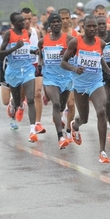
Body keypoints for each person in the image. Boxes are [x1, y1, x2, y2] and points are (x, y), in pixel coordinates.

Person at [61, 15, 110, 163]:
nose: (93, 29)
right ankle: (75, 124)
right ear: (83, 27)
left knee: (101, 110)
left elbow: (100, 60)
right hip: (80, 85)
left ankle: (102, 151)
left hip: (96, 82)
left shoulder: (101, 43)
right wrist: (74, 68)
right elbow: (63, 62)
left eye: (95, 26)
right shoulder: (75, 43)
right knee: (84, 118)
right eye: (89, 26)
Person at [38, 13, 75, 149]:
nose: (56, 24)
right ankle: (60, 136)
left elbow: (77, 53)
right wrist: (40, 65)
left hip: (66, 78)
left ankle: (58, 118)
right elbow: (40, 56)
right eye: (53, 22)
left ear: (61, 23)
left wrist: (68, 52)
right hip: (50, 77)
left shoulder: (70, 39)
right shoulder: (43, 41)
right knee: (56, 103)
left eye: (58, 21)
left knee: (62, 105)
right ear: (49, 25)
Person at [0, 12, 38, 142]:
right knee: (17, 102)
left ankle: (32, 130)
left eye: (24, 20)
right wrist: (15, 47)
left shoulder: (27, 33)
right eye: (20, 21)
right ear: (14, 23)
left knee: (31, 99)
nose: (24, 22)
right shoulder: (8, 34)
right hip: (14, 71)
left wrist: (33, 51)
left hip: (27, 70)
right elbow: (1, 54)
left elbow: (25, 50)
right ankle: (13, 103)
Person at [21, 7, 46, 135]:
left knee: (37, 94)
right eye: (24, 19)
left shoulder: (37, 31)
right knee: (22, 96)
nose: (26, 21)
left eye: (29, 19)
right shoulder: (16, 34)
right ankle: (17, 104)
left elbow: (42, 48)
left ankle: (37, 123)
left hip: (35, 65)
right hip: (21, 67)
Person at [58, 8, 81, 142]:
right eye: (62, 18)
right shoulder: (54, 35)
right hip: (58, 74)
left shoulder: (76, 35)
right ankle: (60, 116)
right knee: (60, 104)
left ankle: (68, 131)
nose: (65, 21)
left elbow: (81, 53)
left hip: (72, 74)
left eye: (67, 18)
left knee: (71, 104)